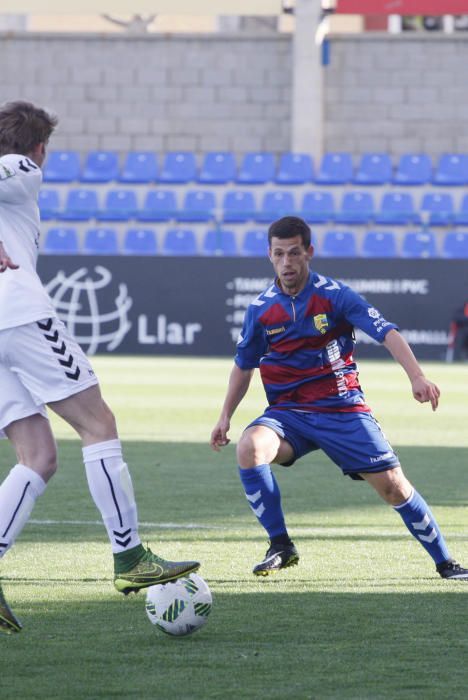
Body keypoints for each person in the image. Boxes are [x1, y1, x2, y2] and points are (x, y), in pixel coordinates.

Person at [0, 101, 199, 635]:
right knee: (98, 425)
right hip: (17, 315)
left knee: (37, 456)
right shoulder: (21, 168)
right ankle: (130, 557)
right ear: (39, 146)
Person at [210, 215, 468, 581]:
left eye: (294, 253)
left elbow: (387, 332)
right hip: (288, 416)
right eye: (279, 254)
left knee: (394, 486)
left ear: (309, 253)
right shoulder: (261, 310)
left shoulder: (335, 295)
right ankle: (280, 545)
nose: (287, 262)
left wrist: (417, 376)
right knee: (250, 447)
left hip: (341, 409)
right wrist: (225, 416)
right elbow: (244, 366)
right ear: (269, 256)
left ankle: (447, 563)